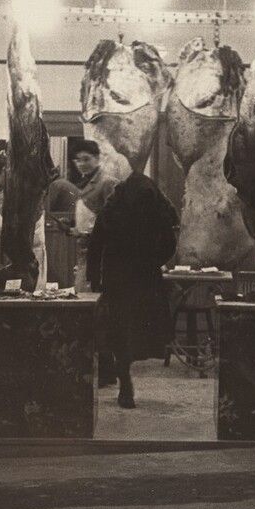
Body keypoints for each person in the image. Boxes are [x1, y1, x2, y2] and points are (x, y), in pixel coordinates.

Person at [86, 172, 179, 409]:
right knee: (133, 328)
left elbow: (96, 243)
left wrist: (95, 276)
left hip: (118, 277)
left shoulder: (114, 209)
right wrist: (152, 261)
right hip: (142, 278)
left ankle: (123, 377)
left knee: (121, 328)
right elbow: (169, 243)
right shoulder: (155, 207)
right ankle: (124, 380)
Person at [69, 139, 120, 385]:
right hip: (84, 252)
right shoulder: (85, 185)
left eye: (86, 159)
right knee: (94, 312)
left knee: (97, 311)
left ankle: (104, 372)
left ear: (97, 158)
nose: (81, 164)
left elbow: (116, 223)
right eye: (77, 160)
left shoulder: (107, 183)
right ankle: (105, 371)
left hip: (100, 258)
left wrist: (88, 234)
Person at [0, 154, 47, 290]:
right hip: (11, 250)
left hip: (29, 251)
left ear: (4, 171)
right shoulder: (2, 190)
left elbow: (20, 222)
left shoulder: (21, 190)